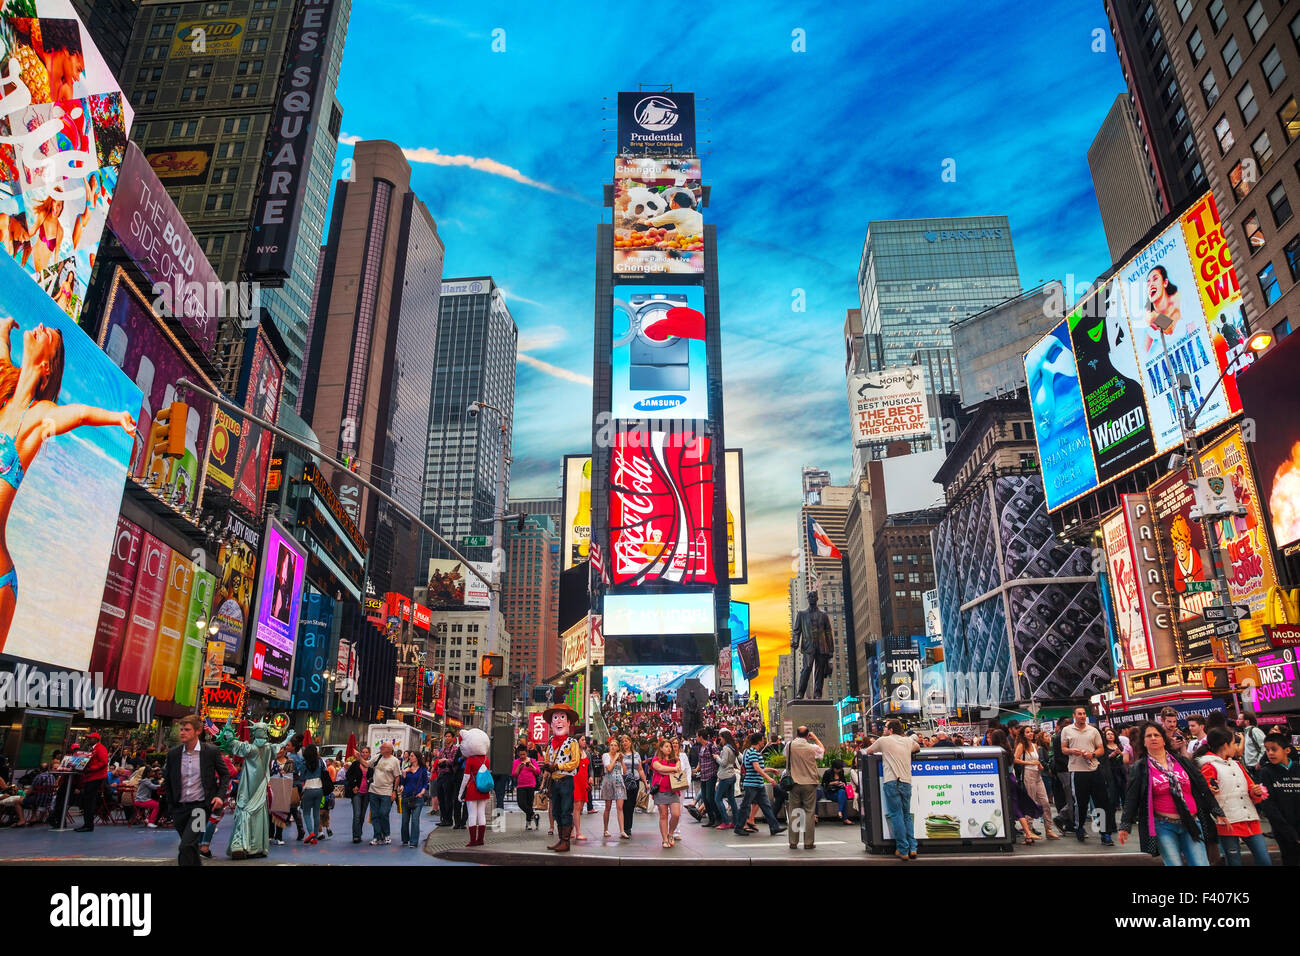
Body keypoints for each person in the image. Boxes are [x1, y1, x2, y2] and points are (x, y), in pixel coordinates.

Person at [0, 318, 136, 649]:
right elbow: (2, 351)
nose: (43, 325)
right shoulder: (4, 398)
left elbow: (77, 414)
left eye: (51, 337)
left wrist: (116, 417)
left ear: (47, 367)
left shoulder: (39, 414)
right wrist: (5, 328)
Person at [1118, 721, 1225, 866]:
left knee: (1200, 863)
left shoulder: (1182, 761)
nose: (1153, 738)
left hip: (1191, 822)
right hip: (1163, 827)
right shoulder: (1140, 767)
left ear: (1164, 739)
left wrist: (1217, 810)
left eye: (1156, 735)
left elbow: (1202, 787)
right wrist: (1125, 825)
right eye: (1149, 736)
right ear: (1143, 742)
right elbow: (1131, 798)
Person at [1197, 727, 1270, 866]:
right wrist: (1210, 790)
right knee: (1234, 862)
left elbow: (1251, 789)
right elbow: (1206, 795)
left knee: (1264, 859)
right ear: (1226, 745)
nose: (1236, 747)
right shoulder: (1209, 767)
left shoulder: (1237, 764)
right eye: (1234, 743)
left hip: (1250, 819)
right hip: (1228, 822)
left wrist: (1256, 792)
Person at [164, 714, 229, 867]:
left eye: (187, 729)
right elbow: (167, 780)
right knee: (191, 846)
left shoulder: (210, 752)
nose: (182, 733)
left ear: (198, 731)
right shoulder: (173, 754)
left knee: (185, 845)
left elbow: (225, 774)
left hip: (200, 808)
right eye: (181, 729)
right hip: (179, 808)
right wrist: (170, 805)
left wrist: (220, 796)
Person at [1062, 706, 1115, 845]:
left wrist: (1092, 754)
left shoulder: (1093, 730)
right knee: (1080, 803)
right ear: (1074, 715)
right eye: (1079, 714)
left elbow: (1101, 749)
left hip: (1094, 769)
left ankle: (1105, 833)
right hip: (1077, 770)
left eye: (1084, 713)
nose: (1082, 716)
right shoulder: (1066, 730)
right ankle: (1079, 827)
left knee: (1101, 802)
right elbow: (1063, 749)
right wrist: (1072, 750)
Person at [867, 720, 920, 861]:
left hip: (892, 781)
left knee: (896, 815)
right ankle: (913, 848)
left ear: (890, 730)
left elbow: (869, 751)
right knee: (907, 815)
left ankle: (903, 849)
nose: (884, 729)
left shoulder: (884, 741)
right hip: (906, 782)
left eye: (885, 727)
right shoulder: (908, 741)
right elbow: (917, 747)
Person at [1256, 733, 1300, 866]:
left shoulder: (1297, 769)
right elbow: (1268, 805)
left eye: (1274, 749)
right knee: (1290, 859)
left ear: (1287, 750)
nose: (1270, 753)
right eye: (1267, 750)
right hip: (1283, 829)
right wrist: (1288, 831)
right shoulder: (1266, 772)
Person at [543, 705, 582, 853]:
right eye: (555, 718)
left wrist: (557, 766)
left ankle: (566, 841)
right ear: (551, 723)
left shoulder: (572, 742)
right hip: (554, 782)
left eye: (562, 717)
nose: (558, 721)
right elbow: (547, 757)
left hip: (566, 781)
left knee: (566, 811)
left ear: (568, 722)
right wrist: (547, 766)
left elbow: (575, 762)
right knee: (556, 812)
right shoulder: (551, 741)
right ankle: (561, 840)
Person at [733, 731, 785, 839]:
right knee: (746, 806)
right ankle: (739, 827)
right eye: (762, 739)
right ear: (759, 741)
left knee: (765, 806)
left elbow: (757, 768)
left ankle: (774, 827)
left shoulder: (753, 752)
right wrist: (769, 778)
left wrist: (770, 770)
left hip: (757, 784)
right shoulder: (752, 752)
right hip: (752, 784)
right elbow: (756, 768)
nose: (764, 741)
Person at [1015, 729, 1058, 838]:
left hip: (1037, 774)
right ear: (1023, 734)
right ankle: (1028, 831)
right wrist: (1030, 762)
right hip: (1028, 774)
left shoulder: (1034, 745)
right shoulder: (1021, 745)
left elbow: (1037, 760)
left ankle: (1048, 829)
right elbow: (1015, 759)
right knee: (1031, 801)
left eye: (1031, 732)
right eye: (1027, 732)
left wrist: (1039, 765)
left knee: (1045, 802)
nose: (1030, 734)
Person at [791, 591, 834, 699]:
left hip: (822, 647)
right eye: (809, 596)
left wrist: (831, 650)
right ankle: (800, 692)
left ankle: (817, 693)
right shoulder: (801, 614)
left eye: (813, 596)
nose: (811, 598)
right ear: (807, 598)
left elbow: (828, 632)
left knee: (819, 671)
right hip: (808, 647)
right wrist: (795, 641)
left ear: (817, 598)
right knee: (807, 668)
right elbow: (796, 630)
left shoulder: (823, 615)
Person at [787, 726, 825, 849]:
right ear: (807, 735)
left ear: (796, 734)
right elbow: (822, 751)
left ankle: (793, 841)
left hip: (794, 782)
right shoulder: (811, 747)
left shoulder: (789, 745)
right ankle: (808, 842)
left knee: (794, 811)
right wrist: (815, 738)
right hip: (809, 782)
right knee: (809, 812)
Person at [649, 739, 684, 849]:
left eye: (670, 746)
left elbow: (678, 769)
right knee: (663, 815)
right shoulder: (656, 759)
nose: (669, 748)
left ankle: (671, 833)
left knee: (676, 814)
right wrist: (672, 769)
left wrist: (670, 770)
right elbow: (659, 769)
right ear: (661, 748)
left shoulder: (676, 759)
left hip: (673, 790)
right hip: (661, 790)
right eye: (666, 746)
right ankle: (664, 839)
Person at [366, 742, 401, 846]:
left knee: (383, 813)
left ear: (389, 749)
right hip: (373, 791)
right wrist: (359, 758)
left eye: (383, 747)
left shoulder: (394, 761)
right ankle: (377, 836)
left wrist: (394, 791)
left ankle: (386, 835)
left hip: (386, 791)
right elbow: (367, 764)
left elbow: (397, 777)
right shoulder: (378, 757)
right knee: (374, 815)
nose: (381, 748)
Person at [73, 732, 108, 832]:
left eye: (90, 738)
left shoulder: (100, 748)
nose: (88, 739)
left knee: (89, 801)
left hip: (96, 777)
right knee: (87, 800)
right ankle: (87, 824)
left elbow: (103, 762)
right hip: (91, 777)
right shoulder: (93, 748)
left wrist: (90, 768)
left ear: (96, 739)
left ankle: (88, 825)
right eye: (88, 738)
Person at [298, 744, 330, 845]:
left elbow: (302, 777)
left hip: (309, 789)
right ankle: (315, 836)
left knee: (306, 813)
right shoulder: (320, 762)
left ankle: (311, 833)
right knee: (316, 813)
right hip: (319, 789)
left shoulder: (304, 763)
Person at [618, 733, 646, 838]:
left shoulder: (636, 754)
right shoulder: (620, 754)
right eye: (623, 741)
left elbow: (640, 769)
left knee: (631, 804)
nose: (625, 743)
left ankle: (628, 826)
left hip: (635, 781)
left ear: (630, 742)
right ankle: (625, 827)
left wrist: (645, 782)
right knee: (625, 805)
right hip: (623, 781)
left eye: (626, 741)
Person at [399, 750, 429, 849]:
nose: (409, 757)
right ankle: (405, 839)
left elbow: (425, 782)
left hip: (417, 798)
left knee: (415, 820)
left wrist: (422, 792)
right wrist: (403, 775)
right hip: (406, 796)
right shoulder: (406, 768)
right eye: (410, 756)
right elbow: (403, 782)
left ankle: (414, 841)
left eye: (411, 756)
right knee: (405, 820)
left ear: (416, 757)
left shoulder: (422, 769)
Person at [689, 729, 719, 827]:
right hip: (703, 776)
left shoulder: (711, 747)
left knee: (710, 798)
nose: (696, 738)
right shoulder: (700, 747)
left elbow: (718, 759)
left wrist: (717, 775)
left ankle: (717, 817)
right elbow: (700, 761)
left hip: (711, 775)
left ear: (701, 737)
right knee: (705, 799)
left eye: (697, 736)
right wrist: (696, 770)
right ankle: (711, 819)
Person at [599, 736, 628, 839]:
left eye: (615, 745)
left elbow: (625, 771)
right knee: (608, 807)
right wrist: (615, 758)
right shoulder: (605, 755)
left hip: (619, 781)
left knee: (620, 807)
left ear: (618, 748)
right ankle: (605, 829)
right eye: (611, 745)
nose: (612, 747)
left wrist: (622, 761)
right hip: (608, 782)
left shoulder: (619, 757)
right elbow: (609, 768)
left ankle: (622, 831)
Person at [1049, 717, 1073, 832]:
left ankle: (1067, 821)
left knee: (1073, 797)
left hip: (1071, 769)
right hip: (1064, 770)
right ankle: (1063, 818)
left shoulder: (1069, 736)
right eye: (1065, 723)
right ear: (1059, 725)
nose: (1068, 725)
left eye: (1069, 723)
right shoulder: (1058, 738)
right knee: (1072, 798)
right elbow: (1058, 757)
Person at [714, 729, 740, 830]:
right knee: (731, 799)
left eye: (720, 738)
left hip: (725, 776)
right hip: (732, 775)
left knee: (718, 798)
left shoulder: (725, 748)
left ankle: (725, 821)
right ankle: (735, 821)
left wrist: (717, 757)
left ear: (724, 738)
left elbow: (723, 763)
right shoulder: (733, 748)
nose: (720, 740)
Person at [434, 730, 460, 828]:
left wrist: (445, 760)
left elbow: (453, 761)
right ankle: (443, 819)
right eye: (446, 736)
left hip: (449, 775)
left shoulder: (455, 749)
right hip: (441, 774)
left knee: (448, 798)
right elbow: (438, 761)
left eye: (449, 736)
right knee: (441, 797)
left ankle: (448, 820)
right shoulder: (442, 750)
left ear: (453, 738)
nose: (447, 738)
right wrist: (441, 761)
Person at [513, 745, 541, 831]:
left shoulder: (532, 760)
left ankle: (528, 824)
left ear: (527, 753)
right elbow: (514, 774)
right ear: (518, 754)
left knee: (529, 804)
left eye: (524, 754)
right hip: (521, 785)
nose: (522, 756)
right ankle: (534, 815)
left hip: (531, 785)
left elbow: (538, 772)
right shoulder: (516, 762)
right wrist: (519, 767)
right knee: (521, 803)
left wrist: (532, 766)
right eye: (520, 754)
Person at [571, 736, 590, 842]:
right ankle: (578, 832)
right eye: (582, 740)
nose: (584, 741)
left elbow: (588, 767)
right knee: (577, 808)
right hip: (576, 781)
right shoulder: (575, 752)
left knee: (580, 807)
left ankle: (571, 830)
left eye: (584, 740)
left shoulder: (585, 752)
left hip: (583, 781)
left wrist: (589, 779)